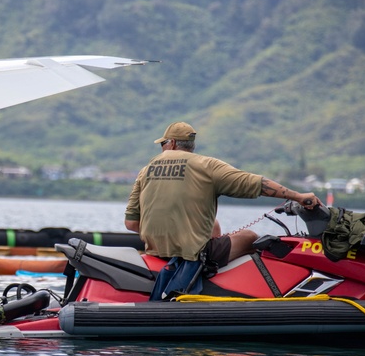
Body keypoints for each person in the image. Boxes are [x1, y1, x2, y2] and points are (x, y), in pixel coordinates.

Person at [124, 121, 318, 298]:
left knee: (214, 226)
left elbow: (131, 223)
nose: (162, 149)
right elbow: (254, 183)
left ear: (172, 143)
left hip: (156, 250)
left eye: (162, 144)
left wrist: (165, 233)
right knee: (249, 237)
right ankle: (255, 291)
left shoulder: (146, 169)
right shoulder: (206, 165)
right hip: (194, 254)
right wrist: (298, 197)